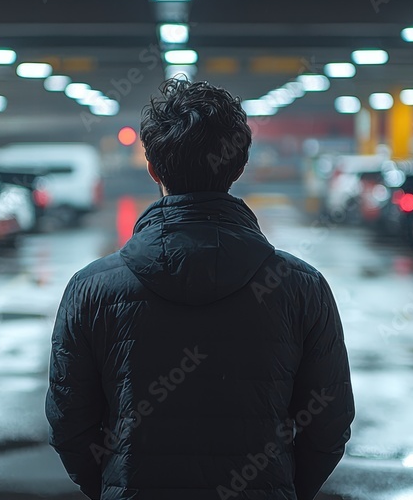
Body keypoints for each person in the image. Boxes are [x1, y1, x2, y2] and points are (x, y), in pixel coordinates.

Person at [47, 78, 354, 499]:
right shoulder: (301, 288)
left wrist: (111, 488)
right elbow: (329, 424)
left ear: (153, 167)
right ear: (238, 164)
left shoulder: (91, 290)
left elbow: (70, 425)